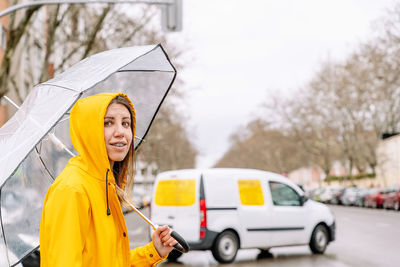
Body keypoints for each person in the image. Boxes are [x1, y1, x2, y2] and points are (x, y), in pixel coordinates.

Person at [40, 93, 177, 266]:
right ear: (89, 130)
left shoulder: (105, 185)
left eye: (126, 123)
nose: (121, 132)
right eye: (108, 123)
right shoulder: (72, 189)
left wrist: (154, 251)